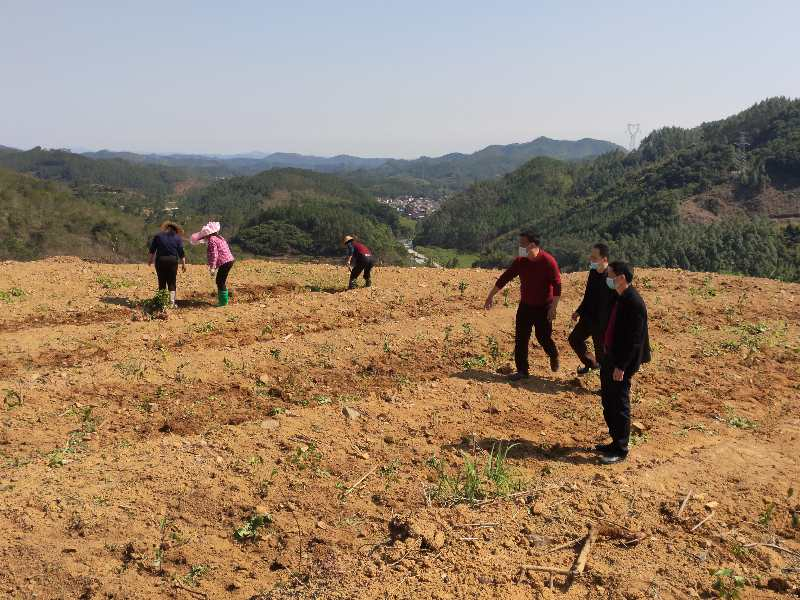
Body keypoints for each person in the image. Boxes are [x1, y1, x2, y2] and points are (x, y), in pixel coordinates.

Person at [484, 232, 561, 379]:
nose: (519, 247)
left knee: (543, 337)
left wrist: (553, 308)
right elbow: (505, 277)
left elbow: (557, 285)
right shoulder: (520, 261)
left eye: (522, 244)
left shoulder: (548, 261)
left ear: (531, 245)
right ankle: (522, 371)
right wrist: (490, 295)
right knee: (521, 339)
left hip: (544, 306)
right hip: (525, 306)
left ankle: (553, 354)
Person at [597, 261, 650, 465]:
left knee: (619, 404)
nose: (607, 278)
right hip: (609, 357)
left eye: (610, 274)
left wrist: (621, 366)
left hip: (621, 362)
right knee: (608, 400)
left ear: (621, 278)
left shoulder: (634, 302)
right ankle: (614, 440)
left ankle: (621, 448)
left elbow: (634, 340)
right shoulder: (618, 296)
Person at [569, 243, 615, 375]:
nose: (591, 259)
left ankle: (605, 383)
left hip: (602, 324)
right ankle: (591, 364)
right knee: (574, 339)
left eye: (594, 258)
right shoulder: (593, 273)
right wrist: (579, 311)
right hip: (588, 318)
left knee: (602, 355)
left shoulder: (611, 278)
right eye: (591, 256)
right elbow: (588, 296)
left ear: (604, 259)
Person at [190, 221, 235, 306]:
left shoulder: (212, 240)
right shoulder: (220, 237)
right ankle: (223, 301)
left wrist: (212, 268)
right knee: (221, 280)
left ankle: (223, 303)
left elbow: (214, 254)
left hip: (225, 262)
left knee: (220, 281)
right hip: (229, 260)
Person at [148, 221, 186, 308]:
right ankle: (171, 303)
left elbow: (152, 250)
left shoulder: (158, 236)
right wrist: (184, 264)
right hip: (172, 261)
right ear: (175, 230)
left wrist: (150, 260)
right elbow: (181, 252)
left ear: (166, 228)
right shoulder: (177, 238)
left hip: (160, 260)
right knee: (172, 281)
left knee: (161, 281)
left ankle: (162, 303)